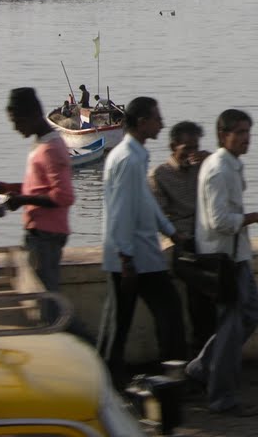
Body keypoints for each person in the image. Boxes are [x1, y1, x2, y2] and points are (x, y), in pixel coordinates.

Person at [186, 109, 258, 418]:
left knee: (250, 314)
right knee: (232, 325)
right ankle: (221, 397)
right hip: (224, 258)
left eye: (248, 132)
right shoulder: (218, 169)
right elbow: (219, 221)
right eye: (239, 132)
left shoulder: (231, 165)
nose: (246, 138)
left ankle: (201, 368)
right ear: (223, 135)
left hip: (238, 255)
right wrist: (255, 218)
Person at [98, 96, 186, 386]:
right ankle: (171, 377)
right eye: (156, 118)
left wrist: (168, 229)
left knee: (120, 322)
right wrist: (126, 258)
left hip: (137, 254)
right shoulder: (128, 159)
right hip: (134, 257)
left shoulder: (135, 156)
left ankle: (109, 381)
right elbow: (121, 211)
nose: (161, 123)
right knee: (165, 312)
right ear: (141, 122)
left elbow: (144, 201)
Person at [0, 88, 78, 325]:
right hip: (39, 233)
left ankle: (83, 350)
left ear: (32, 115)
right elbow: (38, 187)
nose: (16, 128)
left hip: (47, 235)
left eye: (17, 122)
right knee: (44, 301)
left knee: (49, 308)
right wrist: (10, 188)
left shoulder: (52, 148)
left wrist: (22, 200)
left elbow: (64, 196)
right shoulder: (40, 143)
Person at [148, 120, 215, 354]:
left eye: (195, 148)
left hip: (204, 237)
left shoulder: (203, 168)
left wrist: (212, 160)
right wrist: (180, 236)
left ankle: (205, 350)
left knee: (207, 304)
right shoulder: (159, 175)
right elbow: (159, 217)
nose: (191, 154)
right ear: (173, 146)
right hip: (179, 241)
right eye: (186, 148)